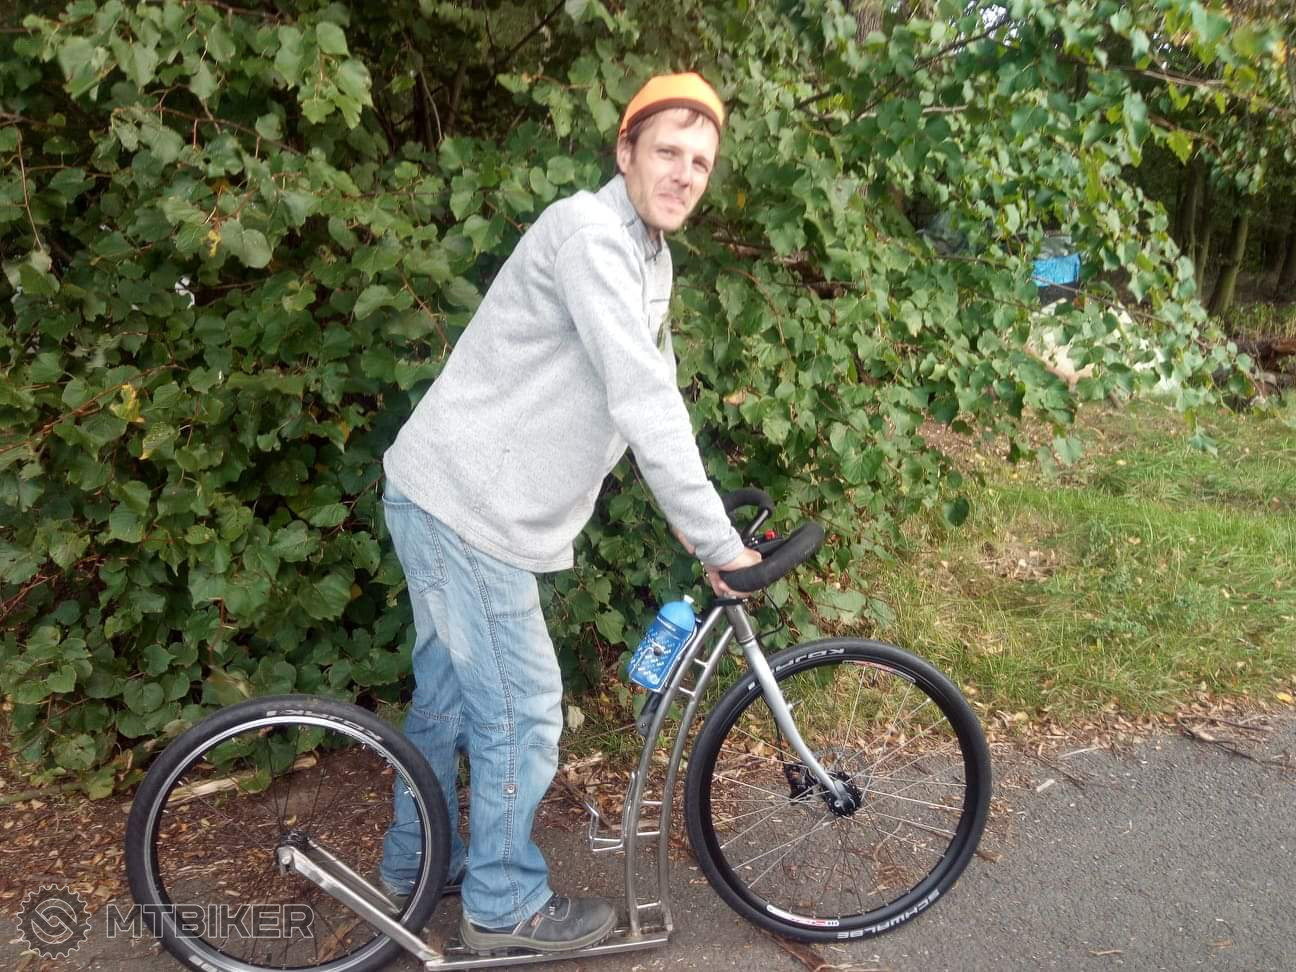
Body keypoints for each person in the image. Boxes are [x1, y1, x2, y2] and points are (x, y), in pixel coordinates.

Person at [378, 71, 761, 955]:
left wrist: (691, 518)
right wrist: (717, 540)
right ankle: (503, 908)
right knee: (524, 710)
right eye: (668, 151)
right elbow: (641, 397)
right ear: (626, 152)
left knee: (446, 701)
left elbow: (647, 391)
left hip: (446, 493)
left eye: (701, 162)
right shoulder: (592, 236)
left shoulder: (647, 254)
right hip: (470, 510)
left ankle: (414, 861)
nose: (685, 174)